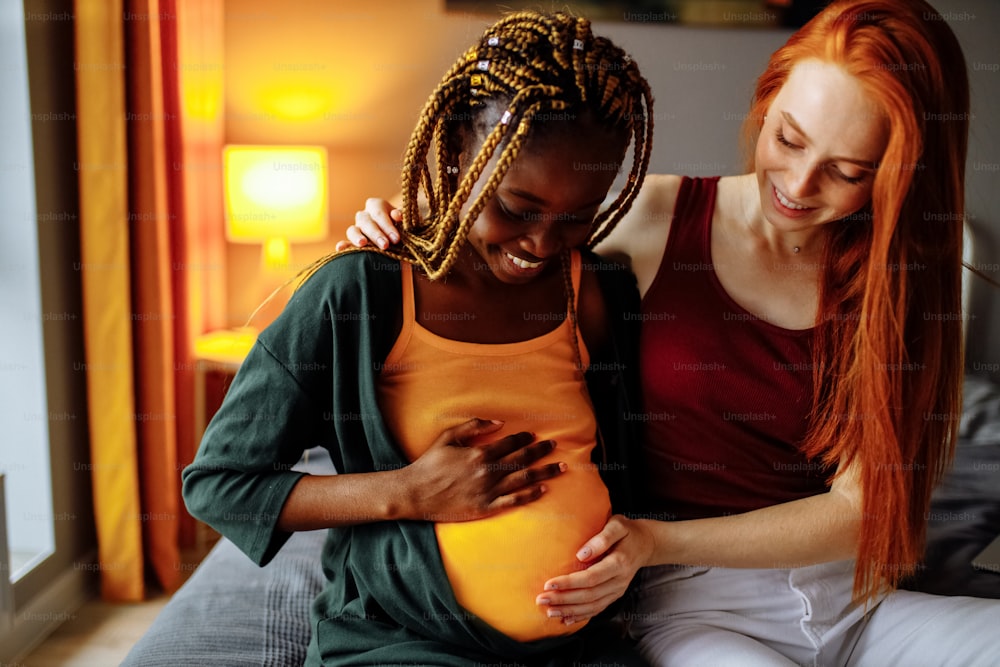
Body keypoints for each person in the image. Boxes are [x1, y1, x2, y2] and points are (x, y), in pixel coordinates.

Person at [343, 1, 1000, 664]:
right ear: (767, 102)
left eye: (848, 172)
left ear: (895, 174)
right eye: (790, 140)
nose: (799, 185)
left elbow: (863, 512)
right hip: (695, 603)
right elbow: (491, 241)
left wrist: (656, 540)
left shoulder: (901, 282)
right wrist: (399, 225)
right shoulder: (653, 219)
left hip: (855, 600)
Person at [182, 11, 656, 666]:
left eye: (576, 217)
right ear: (461, 149)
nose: (542, 244)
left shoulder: (597, 291)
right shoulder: (360, 291)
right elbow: (220, 483)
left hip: (580, 647)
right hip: (406, 640)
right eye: (516, 208)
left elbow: (624, 460)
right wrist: (407, 491)